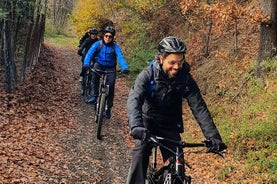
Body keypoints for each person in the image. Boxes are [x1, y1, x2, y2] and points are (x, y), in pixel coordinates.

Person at [126, 36, 227, 184]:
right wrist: (136, 126)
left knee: (178, 167)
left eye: (180, 62)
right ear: (161, 59)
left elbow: (198, 106)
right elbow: (134, 99)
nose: (177, 67)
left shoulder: (185, 79)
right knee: (141, 153)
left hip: (170, 123)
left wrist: (213, 137)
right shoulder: (148, 75)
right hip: (148, 121)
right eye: (172, 62)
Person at [83, 26, 129, 119]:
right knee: (94, 78)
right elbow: (89, 53)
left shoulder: (115, 46)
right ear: (103, 36)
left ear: (113, 38)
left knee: (111, 86)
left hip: (110, 68)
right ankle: (94, 96)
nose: (108, 38)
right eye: (106, 36)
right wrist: (86, 63)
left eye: (110, 37)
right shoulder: (97, 44)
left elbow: (120, 57)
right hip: (99, 64)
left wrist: (124, 67)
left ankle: (108, 108)